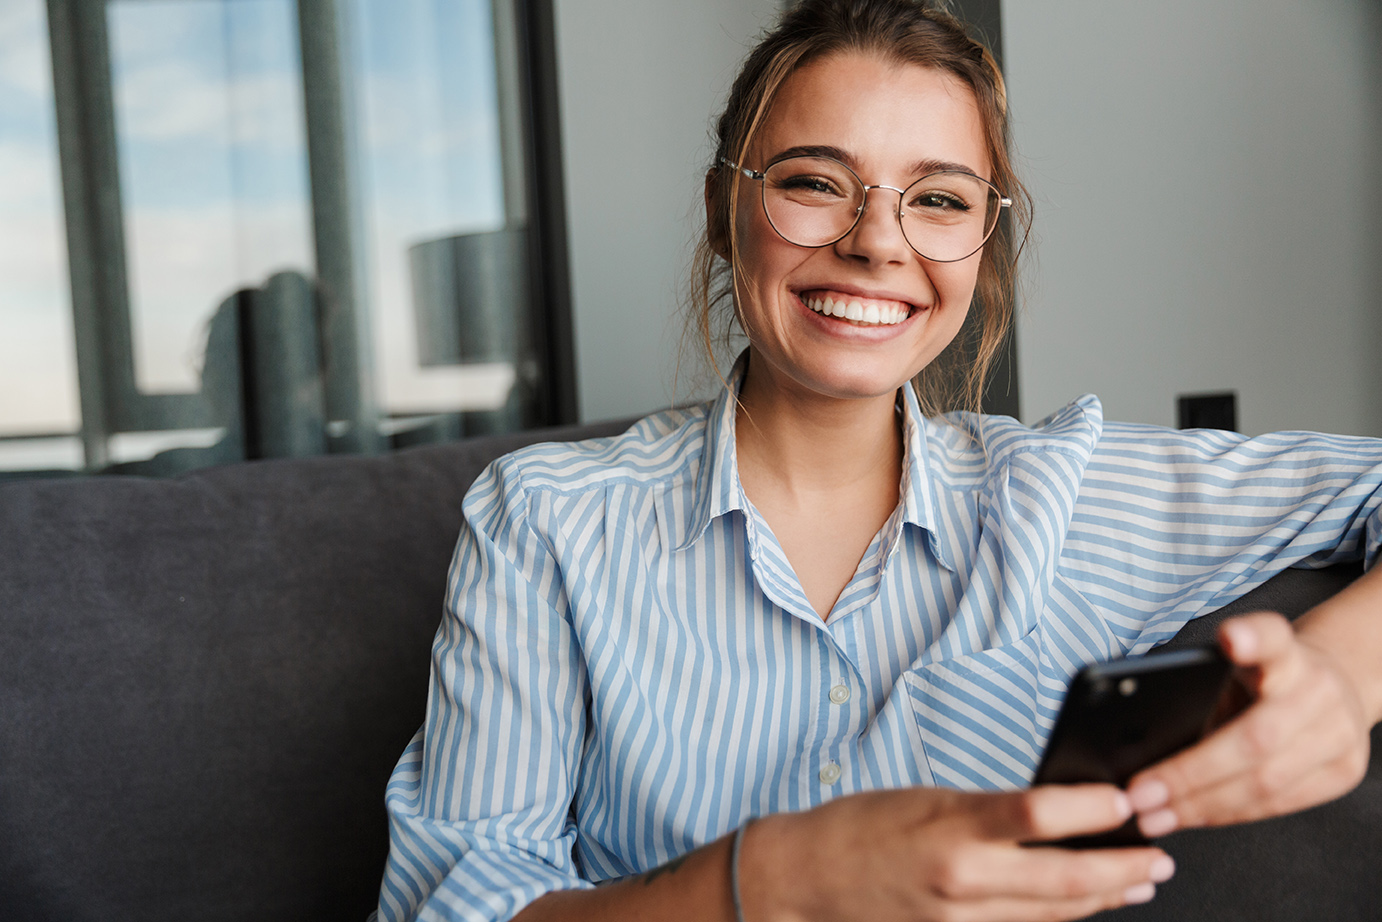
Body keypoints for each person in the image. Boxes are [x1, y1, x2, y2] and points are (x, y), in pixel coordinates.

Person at [375, 2, 1382, 920]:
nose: (873, 241)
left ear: (981, 246)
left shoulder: (1056, 496)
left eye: (937, 200)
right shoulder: (544, 519)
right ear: (726, 213)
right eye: (815, 182)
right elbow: (447, 907)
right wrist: (768, 881)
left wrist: (1337, 674)